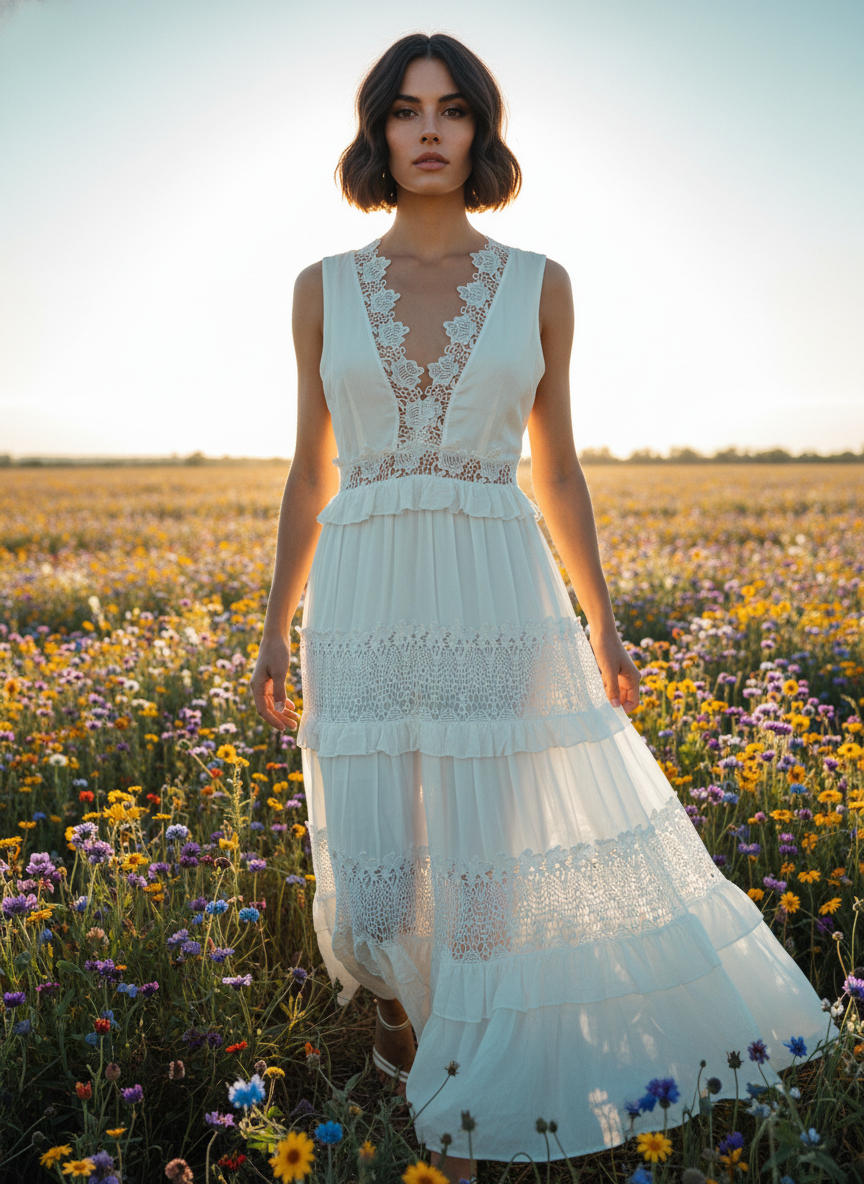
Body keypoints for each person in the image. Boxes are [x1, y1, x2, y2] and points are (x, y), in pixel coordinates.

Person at [251, 31, 834, 1181]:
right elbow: (309, 470)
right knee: (374, 883)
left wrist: (604, 619)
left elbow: (557, 468)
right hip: (362, 591)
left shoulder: (540, 282)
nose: (428, 130)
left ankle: (460, 1099)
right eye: (406, 111)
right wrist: (274, 622)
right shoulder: (319, 286)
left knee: (483, 871)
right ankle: (399, 1024)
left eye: (452, 110)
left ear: (481, 130)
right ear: (376, 133)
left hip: (499, 591)